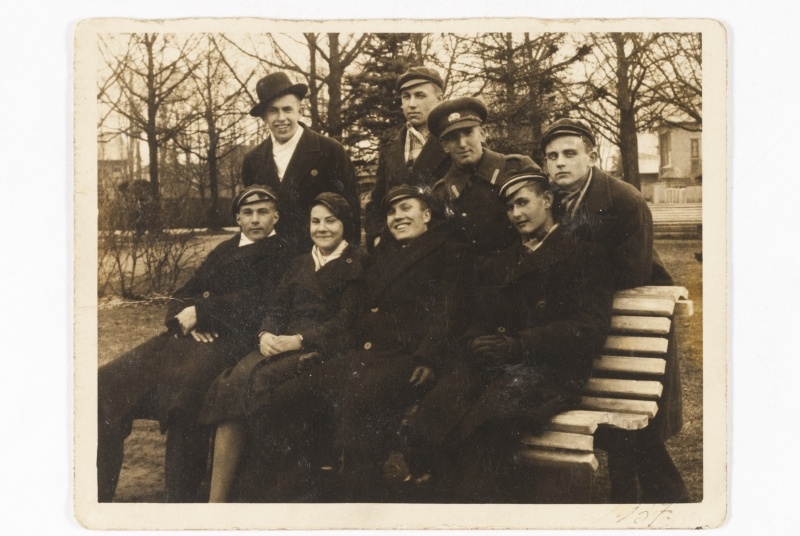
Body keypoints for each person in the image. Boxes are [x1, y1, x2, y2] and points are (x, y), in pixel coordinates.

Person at [235, 185, 475, 503]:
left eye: (406, 208)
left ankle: (358, 498)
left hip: (409, 357)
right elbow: (358, 319)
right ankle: (298, 486)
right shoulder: (383, 256)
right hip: (368, 352)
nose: (398, 217)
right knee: (291, 393)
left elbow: (449, 312)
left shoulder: (449, 252)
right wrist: (326, 349)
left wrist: (428, 357)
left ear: (427, 215)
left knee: (360, 402)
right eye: (392, 212)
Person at [403, 167, 614, 502]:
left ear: (547, 200)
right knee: (431, 415)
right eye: (510, 207)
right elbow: (482, 314)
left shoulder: (583, 255)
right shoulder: (503, 260)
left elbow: (589, 328)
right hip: (496, 364)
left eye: (523, 203)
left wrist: (520, 344)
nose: (515, 214)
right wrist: (477, 340)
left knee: (485, 425)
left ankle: (473, 508)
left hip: (549, 371)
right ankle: (441, 501)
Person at [97, 186, 292, 502]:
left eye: (263, 212)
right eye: (247, 213)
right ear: (238, 219)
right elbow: (182, 292)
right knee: (104, 384)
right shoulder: (225, 249)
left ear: (276, 216)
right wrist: (184, 319)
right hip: (184, 338)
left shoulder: (284, 253)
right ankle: (98, 497)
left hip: (230, 342)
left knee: (185, 402)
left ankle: (181, 503)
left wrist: (203, 312)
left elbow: (262, 302)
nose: (255, 219)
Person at [541, 118, 689, 503]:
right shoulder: (550, 200)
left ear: (592, 156)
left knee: (637, 418)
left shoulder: (623, 199)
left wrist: (572, 279)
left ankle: (668, 503)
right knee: (612, 415)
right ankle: (647, 500)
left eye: (570, 153)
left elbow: (633, 271)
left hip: (638, 318)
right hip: (591, 318)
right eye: (552, 157)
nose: (560, 163)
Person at [197, 193, 366, 503]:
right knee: (232, 382)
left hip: (321, 348)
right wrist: (265, 333)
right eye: (315, 221)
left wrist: (300, 340)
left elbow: (346, 322)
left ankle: (257, 489)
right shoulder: (300, 262)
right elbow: (276, 307)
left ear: (345, 224)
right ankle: (216, 499)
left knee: (262, 386)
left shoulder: (357, 263)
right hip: (279, 343)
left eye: (331, 221)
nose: (322, 228)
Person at [242, 71, 360, 252]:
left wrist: (347, 259)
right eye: (273, 111)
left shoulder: (330, 151)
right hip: (270, 258)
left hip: (319, 257)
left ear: (300, 111)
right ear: (264, 117)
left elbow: (350, 212)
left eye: (287, 109)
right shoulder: (252, 160)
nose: (281, 118)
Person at [427, 97, 539, 257]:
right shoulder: (441, 193)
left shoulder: (518, 166)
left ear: (482, 133)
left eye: (468, 132)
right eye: (452, 137)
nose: (462, 144)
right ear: (445, 146)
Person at [363, 66, 451, 251]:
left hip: (444, 250)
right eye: (406, 97)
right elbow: (376, 203)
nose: (411, 104)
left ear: (440, 99)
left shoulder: (455, 142)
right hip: (396, 252)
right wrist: (377, 238)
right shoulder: (389, 150)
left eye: (420, 96)